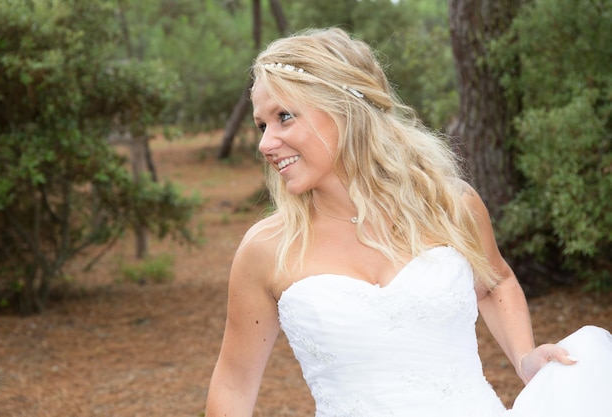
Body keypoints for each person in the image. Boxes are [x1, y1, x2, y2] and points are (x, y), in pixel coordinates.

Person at [205, 28, 612, 416]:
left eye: (284, 117)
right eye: (262, 124)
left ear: (345, 109)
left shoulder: (450, 206)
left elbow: (495, 281)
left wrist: (524, 358)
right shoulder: (266, 249)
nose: (265, 143)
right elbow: (234, 384)